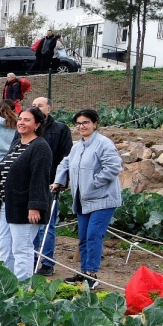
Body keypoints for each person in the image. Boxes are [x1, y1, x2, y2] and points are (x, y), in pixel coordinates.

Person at [51, 108, 122, 291]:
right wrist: (59, 181)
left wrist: (94, 183)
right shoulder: (78, 146)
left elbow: (113, 166)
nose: (82, 126)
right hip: (83, 200)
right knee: (83, 237)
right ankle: (83, 274)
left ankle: (91, 274)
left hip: (103, 199)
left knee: (93, 235)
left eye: (86, 123)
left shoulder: (103, 143)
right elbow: (65, 163)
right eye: (79, 123)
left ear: (95, 123)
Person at [0, 107, 55, 282]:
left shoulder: (40, 147)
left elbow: (40, 178)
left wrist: (35, 206)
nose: (21, 122)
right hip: (8, 203)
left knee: (22, 248)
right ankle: (7, 284)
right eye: (20, 119)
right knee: (5, 246)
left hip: (25, 206)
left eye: (27, 120)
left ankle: (22, 288)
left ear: (37, 124)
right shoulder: (17, 143)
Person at [30, 97, 74, 275]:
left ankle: (47, 262)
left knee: (47, 225)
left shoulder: (60, 129)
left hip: (50, 184)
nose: (36, 108)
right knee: (31, 224)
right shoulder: (29, 128)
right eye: (33, 106)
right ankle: (31, 258)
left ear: (48, 109)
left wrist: (62, 181)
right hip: (31, 184)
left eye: (39, 105)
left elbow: (67, 156)